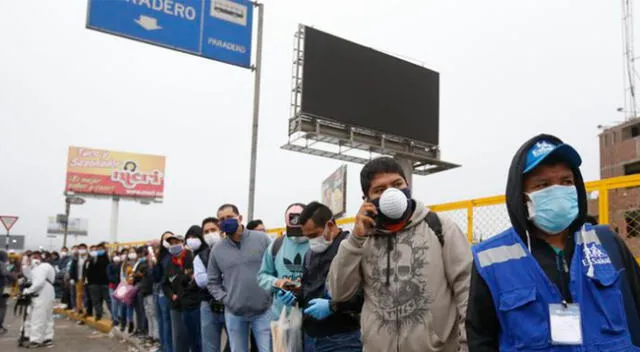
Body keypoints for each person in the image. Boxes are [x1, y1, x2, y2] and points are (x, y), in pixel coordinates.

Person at [466, 135, 640, 351]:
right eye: (543, 184)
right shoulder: (490, 259)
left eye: (567, 182)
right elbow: (481, 339)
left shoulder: (607, 243)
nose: (558, 192)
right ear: (521, 196)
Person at [328, 157, 472, 352]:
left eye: (397, 184)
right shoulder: (362, 239)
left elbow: (467, 290)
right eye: (379, 190)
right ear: (367, 200)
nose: (391, 193)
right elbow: (339, 293)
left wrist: (467, 347)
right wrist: (355, 240)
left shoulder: (439, 227)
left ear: (407, 186)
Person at [298, 201, 364, 352]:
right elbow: (307, 288)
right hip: (311, 337)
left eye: (314, 235)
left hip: (342, 338)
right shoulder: (310, 254)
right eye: (307, 237)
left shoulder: (351, 249)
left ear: (330, 225)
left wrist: (333, 306)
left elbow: (365, 293)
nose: (312, 241)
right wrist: (294, 294)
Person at [207, 204, 272, 352]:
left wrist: (271, 294)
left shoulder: (262, 239)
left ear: (240, 218)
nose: (225, 221)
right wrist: (225, 299)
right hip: (234, 313)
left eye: (229, 217)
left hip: (263, 311)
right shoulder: (217, 250)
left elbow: (274, 267)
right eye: (222, 219)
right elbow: (212, 281)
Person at [257, 203, 310, 319]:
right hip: (282, 315)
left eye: (300, 230)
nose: (296, 236)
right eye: (293, 231)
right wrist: (278, 283)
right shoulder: (276, 245)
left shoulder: (317, 244)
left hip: (311, 315)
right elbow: (262, 276)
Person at [193, 217, 230, 352]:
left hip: (231, 303)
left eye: (213, 230)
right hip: (209, 305)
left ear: (221, 231)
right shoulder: (200, 257)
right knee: (210, 346)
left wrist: (214, 277)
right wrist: (222, 276)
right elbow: (201, 281)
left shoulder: (232, 250)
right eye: (206, 231)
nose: (210, 234)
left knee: (236, 343)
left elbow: (237, 275)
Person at [163, 231, 201, 352]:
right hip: (177, 306)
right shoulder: (169, 263)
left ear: (182, 243)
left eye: (176, 242)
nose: (173, 245)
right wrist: (171, 295)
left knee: (195, 338)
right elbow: (165, 284)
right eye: (171, 244)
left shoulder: (193, 258)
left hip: (193, 305)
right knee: (179, 338)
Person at [23, 251, 56, 348]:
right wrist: (26, 265)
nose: (33, 259)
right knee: (46, 317)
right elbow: (29, 276)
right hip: (44, 294)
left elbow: (39, 282)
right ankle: (47, 338)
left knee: (38, 317)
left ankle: (36, 340)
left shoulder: (43, 266)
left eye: (35, 257)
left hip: (42, 294)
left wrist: (28, 291)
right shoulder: (38, 268)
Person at [154, 232, 175, 352]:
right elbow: (156, 276)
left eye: (170, 238)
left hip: (169, 291)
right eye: (165, 239)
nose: (168, 241)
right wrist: (155, 264)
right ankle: (164, 346)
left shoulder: (175, 254)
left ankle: (168, 348)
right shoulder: (162, 256)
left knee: (167, 322)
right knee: (162, 320)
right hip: (161, 290)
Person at [133, 246, 158, 345]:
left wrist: (151, 265)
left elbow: (150, 276)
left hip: (150, 291)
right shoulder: (144, 264)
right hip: (145, 292)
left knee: (153, 314)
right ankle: (151, 335)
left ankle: (156, 337)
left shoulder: (152, 264)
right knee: (148, 314)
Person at [86, 242, 111, 321]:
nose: (99, 250)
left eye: (101, 249)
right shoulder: (92, 258)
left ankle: (114, 316)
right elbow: (88, 270)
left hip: (105, 283)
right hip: (93, 283)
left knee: (108, 300)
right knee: (96, 300)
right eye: (98, 249)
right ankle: (98, 314)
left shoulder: (107, 257)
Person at [119, 247, 136, 334]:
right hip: (126, 287)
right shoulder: (124, 264)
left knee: (131, 306)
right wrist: (126, 285)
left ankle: (131, 323)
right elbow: (122, 276)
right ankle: (124, 323)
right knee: (124, 306)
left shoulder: (137, 263)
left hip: (135, 287)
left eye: (133, 252)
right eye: (130, 252)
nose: (132, 253)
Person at [70, 243, 89, 320]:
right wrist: (72, 278)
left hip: (86, 279)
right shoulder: (75, 258)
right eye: (80, 248)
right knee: (79, 295)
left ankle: (86, 309)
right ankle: (79, 309)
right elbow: (72, 269)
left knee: (86, 295)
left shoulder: (88, 258)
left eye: (83, 248)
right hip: (78, 278)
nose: (82, 250)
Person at [0, 250, 15, 335]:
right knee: (2, 307)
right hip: (3, 287)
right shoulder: (3, 264)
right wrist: (13, 276)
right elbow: (6, 273)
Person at [107, 250, 122, 329]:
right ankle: (115, 318)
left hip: (121, 286)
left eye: (117, 255)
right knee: (114, 303)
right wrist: (115, 281)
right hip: (113, 286)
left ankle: (120, 317)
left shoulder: (122, 265)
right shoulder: (110, 266)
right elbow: (109, 276)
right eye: (114, 255)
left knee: (120, 303)